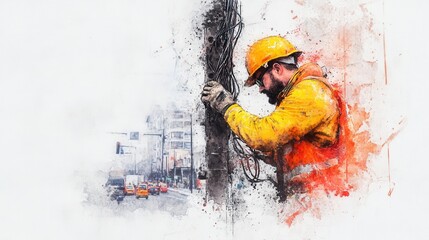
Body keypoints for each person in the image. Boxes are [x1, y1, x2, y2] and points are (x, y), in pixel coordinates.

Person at [201, 36, 350, 204]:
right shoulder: (298, 95)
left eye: (259, 80)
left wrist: (226, 105)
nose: (260, 89)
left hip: (322, 203)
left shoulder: (310, 92)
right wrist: (258, 155)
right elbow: (294, 150)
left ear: (277, 69)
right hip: (313, 200)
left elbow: (264, 135)